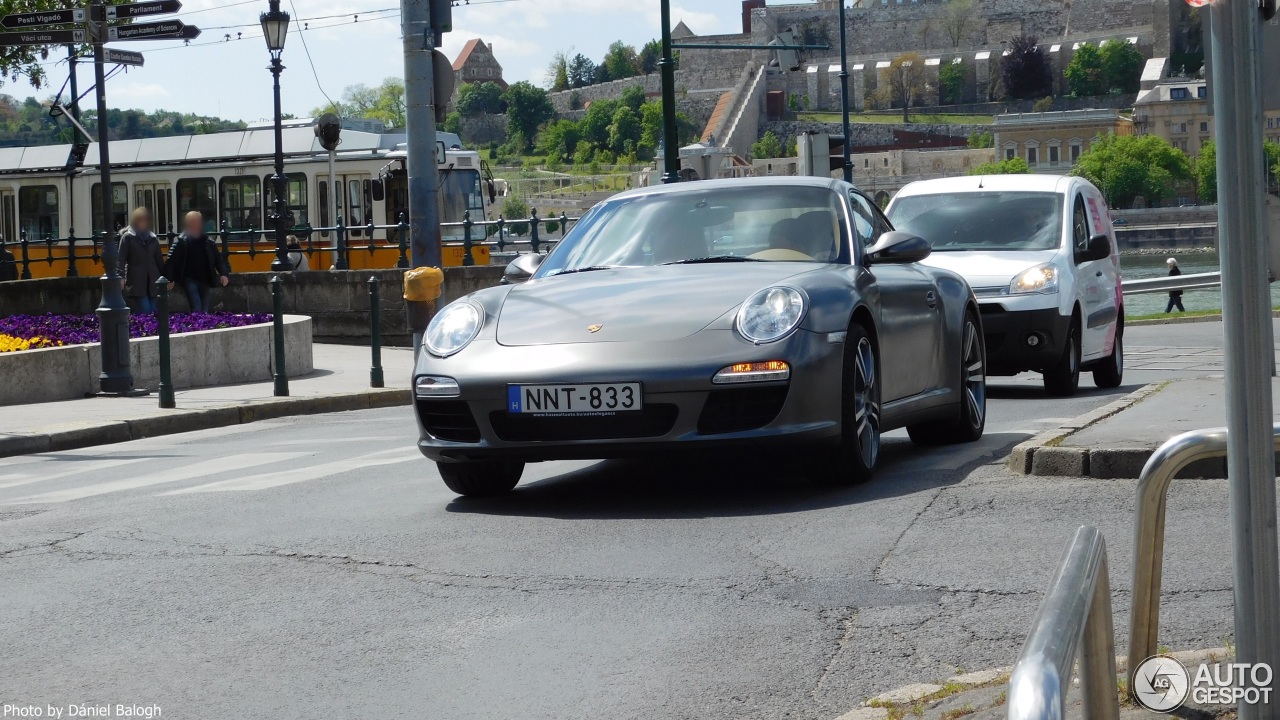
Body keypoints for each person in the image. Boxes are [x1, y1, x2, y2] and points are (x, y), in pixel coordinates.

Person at [165, 211, 229, 312]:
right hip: (189, 279)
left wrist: (223, 274)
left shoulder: (208, 241)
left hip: (205, 279)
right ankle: (197, 326)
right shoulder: (181, 241)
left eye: (197, 222)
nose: (195, 225)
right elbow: (171, 260)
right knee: (196, 308)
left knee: (204, 309)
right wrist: (170, 279)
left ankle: (202, 326)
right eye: (192, 222)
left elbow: (218, 259)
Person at [118, 208, 165, 312]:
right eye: (140, 219)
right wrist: (120, 277)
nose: (143, 222)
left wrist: (167, 277)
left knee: (154, 312)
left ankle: (152, 328)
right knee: (146, 310)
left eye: (145, 220)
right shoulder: (127, 237)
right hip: (136, 281)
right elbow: (121, 258)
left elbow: (159, 260)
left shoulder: (152, 238)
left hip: (153, 280)